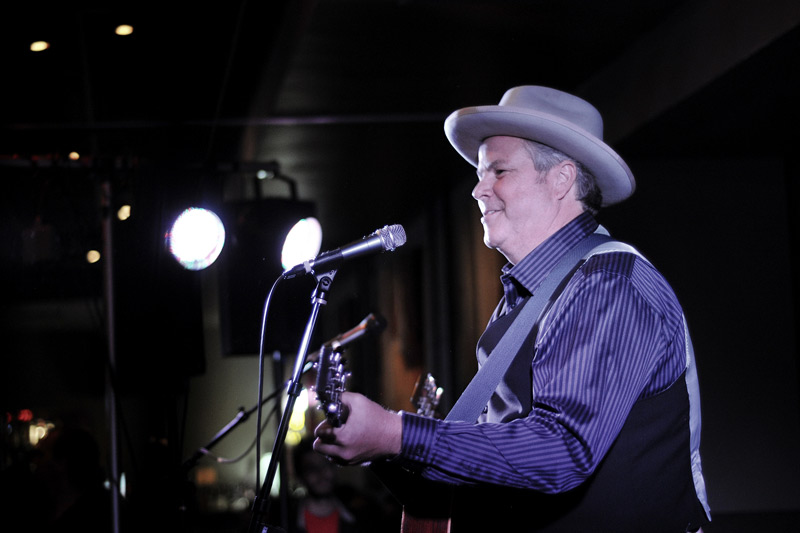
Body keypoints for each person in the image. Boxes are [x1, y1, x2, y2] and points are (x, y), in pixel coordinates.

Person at [312, 86, 711, 532]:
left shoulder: (607, 284)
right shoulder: (525, 297)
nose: (478, 190)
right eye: (481, 174)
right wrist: (383, 444)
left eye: (498, 171)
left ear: (561, 179)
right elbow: (496, 467)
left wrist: (395, 433)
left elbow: (563, 451)